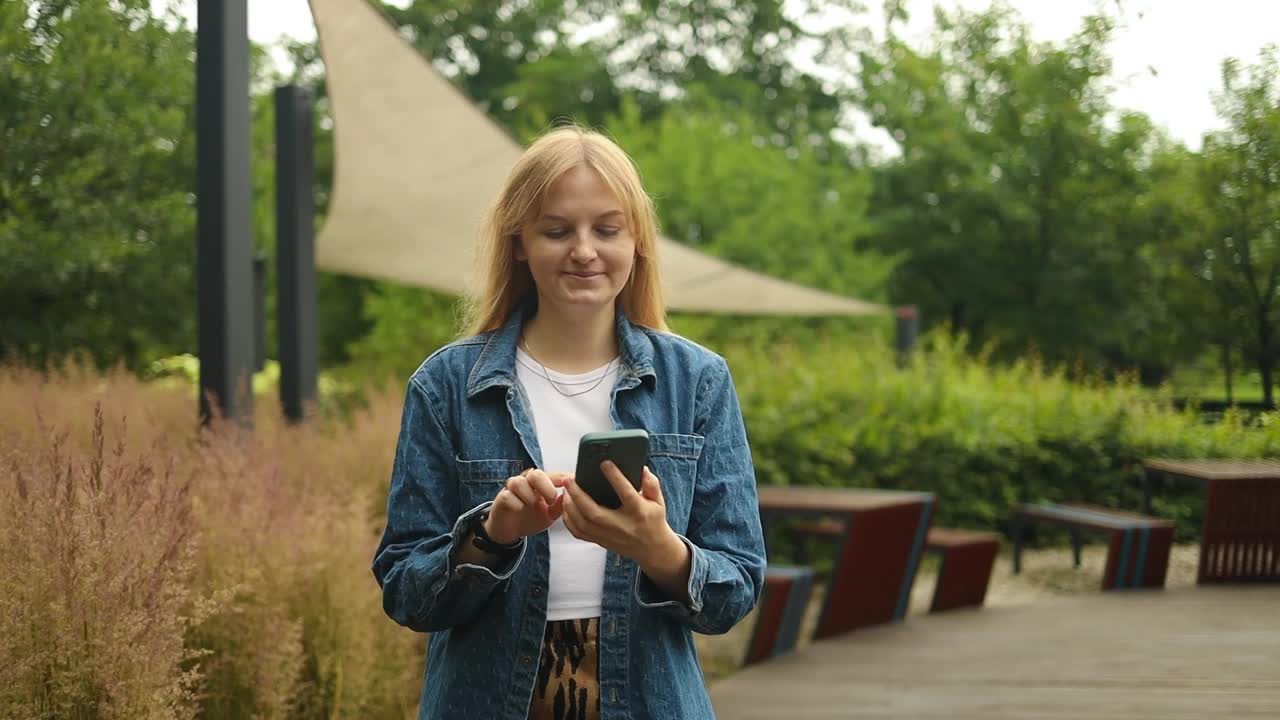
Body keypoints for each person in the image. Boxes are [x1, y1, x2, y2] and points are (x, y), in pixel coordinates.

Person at [372, 124, 766, 720]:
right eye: (557, 230)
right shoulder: (446, 385)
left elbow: (734, 590)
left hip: (649, 699)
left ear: (637, 242)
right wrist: (491, 535)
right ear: (520, 243)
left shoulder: (697, 381)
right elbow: (406, 591)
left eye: (606, 229)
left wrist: (658, 548)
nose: (584, 250)